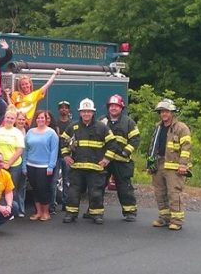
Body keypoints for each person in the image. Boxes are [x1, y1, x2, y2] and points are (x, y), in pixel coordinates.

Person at [60, 98, 119, 224]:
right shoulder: (73, 127)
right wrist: (66, 155)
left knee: (96, 192)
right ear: (80, 113)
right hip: (77, 167)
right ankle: (71, 213)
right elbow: (62, 141)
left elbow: (113, 144)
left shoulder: (102, 127)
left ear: (93, 113)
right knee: (73, 192)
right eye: (84, 111)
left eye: (89, 111)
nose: (86, 114)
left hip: (95, 168)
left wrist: (106, 159)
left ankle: (96, 214)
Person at [148, 99, 191, 231]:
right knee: (160, 193)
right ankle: (164, 218)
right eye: (162, 112)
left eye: (166, 111)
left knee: (174, 193)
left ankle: (177, 220)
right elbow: (153, 146)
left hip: (174, 166)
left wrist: (183, 165)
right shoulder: (158, 127)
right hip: (159, 163)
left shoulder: (181, 128)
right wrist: (150, 163)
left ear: (172, 112)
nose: (164, 114)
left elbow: (186, 147)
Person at [100, 94, 140, 222]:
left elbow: (135, 139)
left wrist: (125, 152)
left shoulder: (129, 122)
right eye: (111, 106)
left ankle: (130, 211)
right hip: (105, 160)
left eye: (116, 106)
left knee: (124, 186)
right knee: (98, 185)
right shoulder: (102, 121)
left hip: (121, 160)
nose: (113, 108)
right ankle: (94, 210)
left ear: (121, 108)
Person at [22, 111, 59, 221]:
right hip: (31, 165)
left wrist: (51, 166)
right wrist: (24, 165)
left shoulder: (52, 133)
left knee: (44, 189)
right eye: (38, 118)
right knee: (35, 189)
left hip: (45, 167)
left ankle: (46, 212)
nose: (41, 120)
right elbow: (25, 150)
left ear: (46, 119)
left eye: (43, 118)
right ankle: (38, 212)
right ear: (36, 119)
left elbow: (54, 151)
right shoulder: (30, 132)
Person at [0, 107, 25, 217]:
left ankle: (12, 211)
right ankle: (0, 210)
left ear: (15, 120)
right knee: (0, 188)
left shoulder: (17, 133)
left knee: (11, 188)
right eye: (7, 117)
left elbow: (20, 150)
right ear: (4, 118)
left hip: (14, 164)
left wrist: (8, 163)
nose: (9, 119)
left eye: (12, 118)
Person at [52, 101, 72, 212]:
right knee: (54, 181)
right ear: (58, 110)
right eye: (61, 108)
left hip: (67, 156)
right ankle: (53, 205)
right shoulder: (55, 123)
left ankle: (66, 204)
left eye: (66, 108)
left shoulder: (71, 124)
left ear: (69, 110)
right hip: (56, 156)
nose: (63, 110)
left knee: (67, 181)